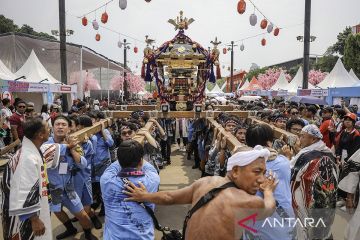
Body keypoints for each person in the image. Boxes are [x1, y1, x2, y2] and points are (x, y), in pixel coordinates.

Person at [124, 146, 278, 240]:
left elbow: (169, 197)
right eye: (257, 172)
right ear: (236, 171)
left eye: (264, 173)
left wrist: (144, 196)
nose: (261, 179)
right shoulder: (249, 202)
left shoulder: (206, 182)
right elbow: (269, 208)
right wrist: (269, 191)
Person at [44, 115, 97, 240]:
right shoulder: (46, 143)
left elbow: (83, 164)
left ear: (68, 128)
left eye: (64, 124)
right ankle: (70, 229)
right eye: (58, 124)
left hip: (69, 188)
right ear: (53, 127)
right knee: (57, 210)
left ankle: (88, 233)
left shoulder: (74, 143)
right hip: (52, 188)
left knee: (82, 215)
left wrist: (72, 149)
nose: (60, 127)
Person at [2, 118, 52, 239]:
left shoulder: (31, 149)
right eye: (47, 128)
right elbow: (24, 190)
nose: (50, 129)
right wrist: (34, 219)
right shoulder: (27, 158)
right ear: (40, 134)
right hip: (26, 218)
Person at [100, 140, 160, 239]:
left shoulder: (106, 180)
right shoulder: (152, 180)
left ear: (119, 160)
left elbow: (114, 166)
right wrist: (134, 152)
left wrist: (126, 152)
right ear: (140, 160)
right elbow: (148, 167)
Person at [286, 124, 338, 239]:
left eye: (303, 136)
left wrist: (287, 157)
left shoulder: (305, 156)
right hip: (327, 202)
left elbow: (289, 174)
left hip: (307, 201)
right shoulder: (329, 153)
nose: (300, 139)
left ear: (313, 139)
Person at [245, 124, 295, 240]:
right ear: (269, 142)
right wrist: (287, 155)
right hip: (281, 218)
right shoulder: (283, 162)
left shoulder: (243, 164)